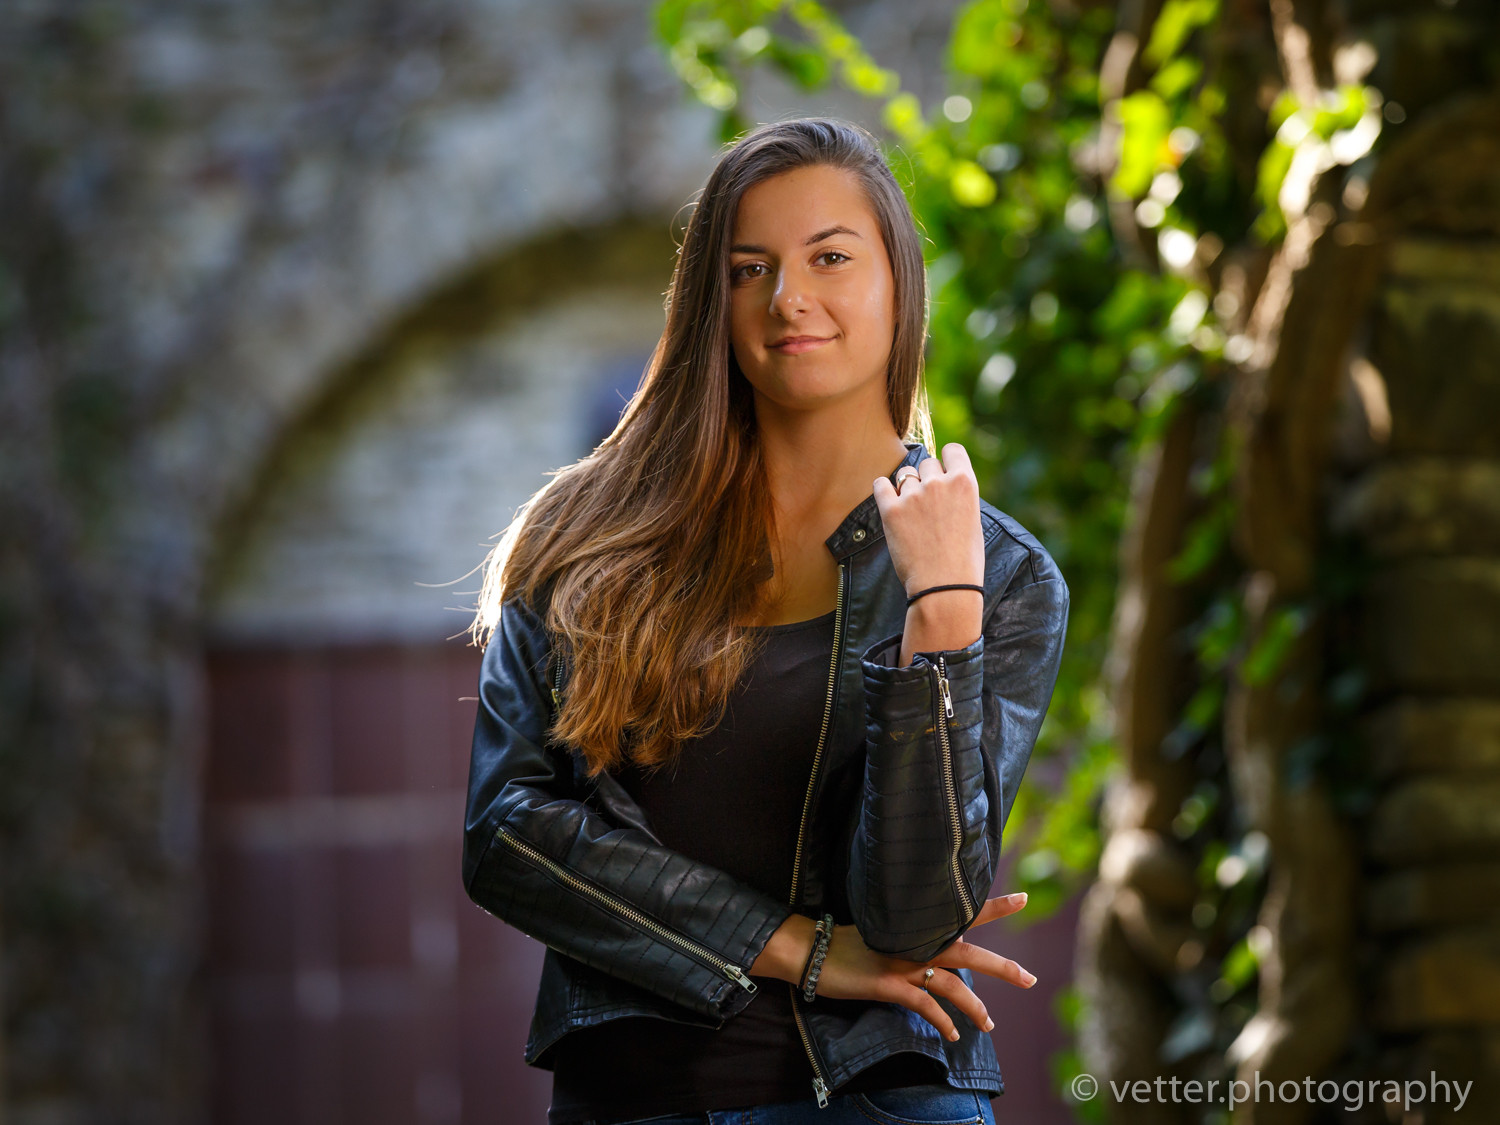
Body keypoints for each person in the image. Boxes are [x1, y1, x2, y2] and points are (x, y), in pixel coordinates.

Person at [462, 117, 1070, 1125]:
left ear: (899, 284)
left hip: (879, 1103)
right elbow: (507, 835)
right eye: (751, 269)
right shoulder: (584, 538)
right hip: (628, 1100)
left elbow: (914, 915)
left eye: (831, 257)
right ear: (713, 299)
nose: (789, 297)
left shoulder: (1000, 573)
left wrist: (940, 614)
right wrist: (800, 949)